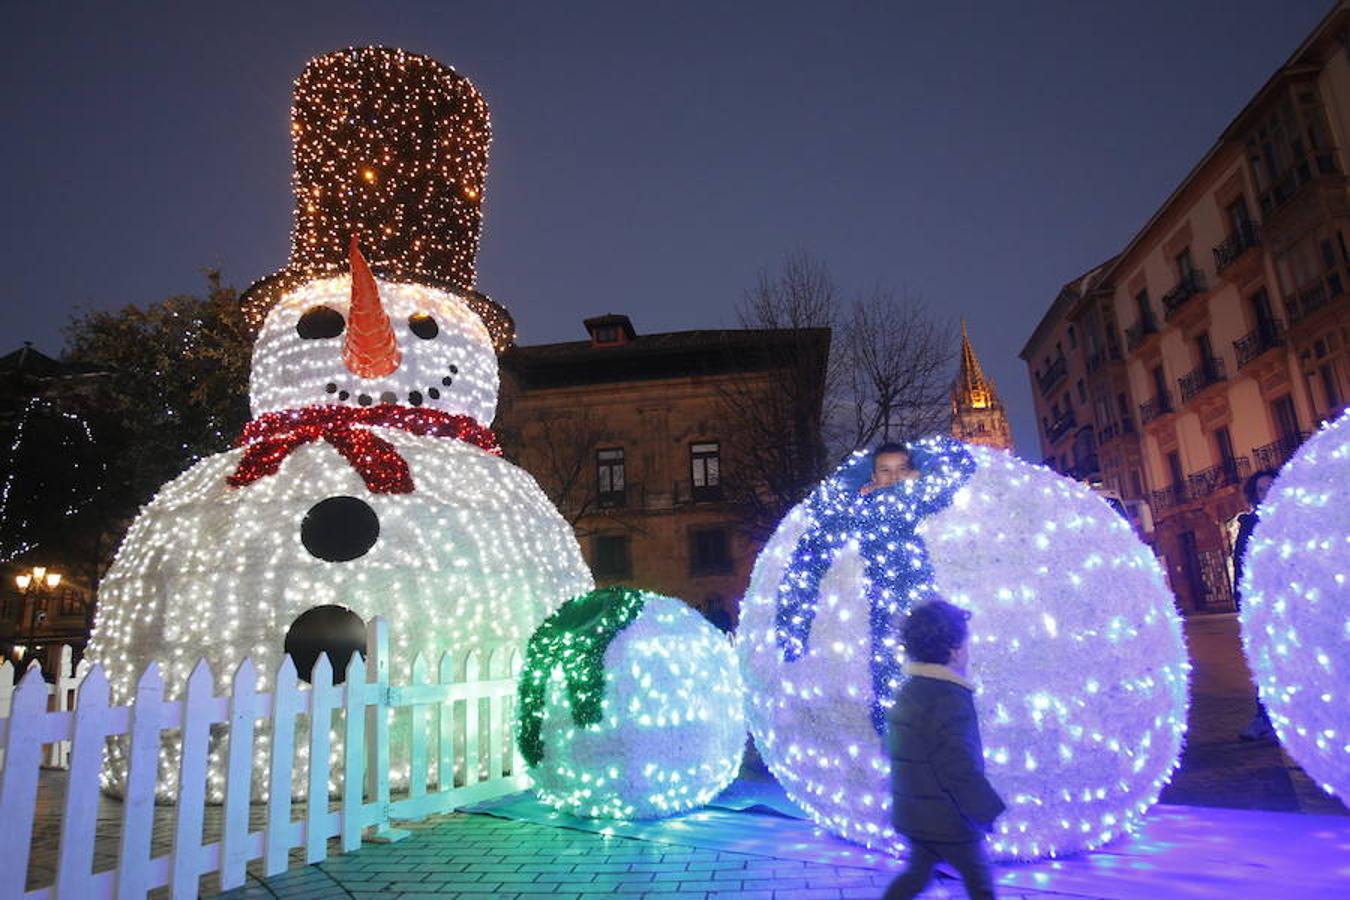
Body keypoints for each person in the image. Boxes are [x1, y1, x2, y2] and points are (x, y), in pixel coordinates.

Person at [885, 600, 1005, 899]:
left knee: (916, 875)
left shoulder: (909, 690)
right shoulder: (950, 698)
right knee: (981, 884)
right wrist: (986, 807)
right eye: (966, 643)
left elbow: (896, 749)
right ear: (954, 650)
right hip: (950, 821)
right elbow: (958, 766)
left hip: (916, 814)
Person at [1234, 468, 1279, 742]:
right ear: (1255, 496)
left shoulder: (1294, 521)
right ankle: (1264, 718)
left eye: (1271, 487)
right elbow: (1241, 567)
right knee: (1267, 664)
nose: (1268, 494)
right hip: (1264, 608)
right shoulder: (1250, 526)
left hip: (1295, 608)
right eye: (1262, 490)